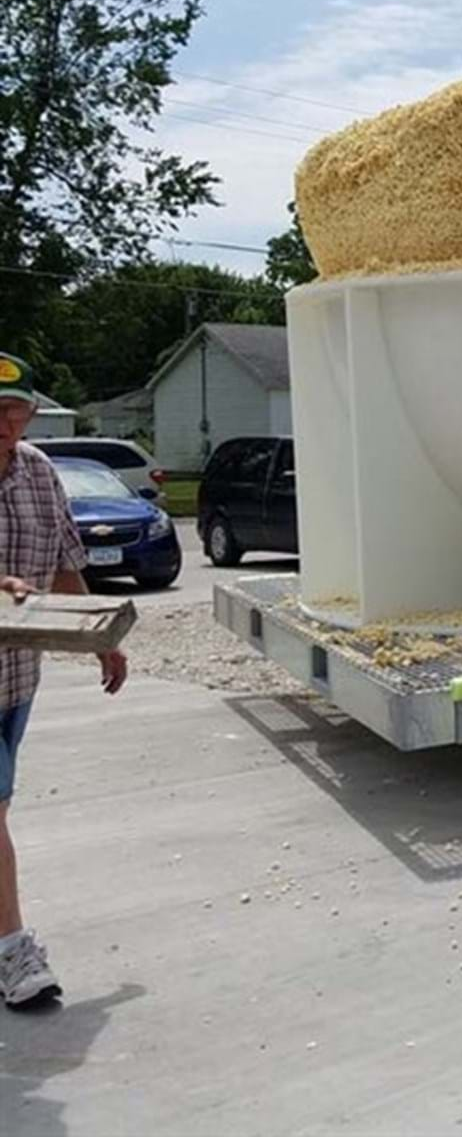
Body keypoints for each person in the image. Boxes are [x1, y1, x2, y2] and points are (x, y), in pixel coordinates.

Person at [0, 352, 127, 1010]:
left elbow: (64, 562)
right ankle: (14, 955)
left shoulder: (40, 472)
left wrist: (101, 638)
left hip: (16, 680)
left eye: (14, 411)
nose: (4, 422)